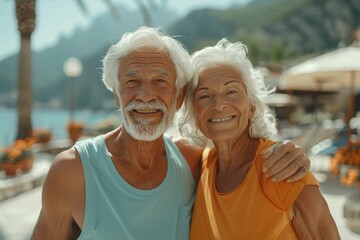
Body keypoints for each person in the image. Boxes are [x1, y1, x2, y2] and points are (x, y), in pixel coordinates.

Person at [32, 27, 311, 240]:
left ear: (178, 98)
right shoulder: (71, 171)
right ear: (116, 96)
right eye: (131, 81)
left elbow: (242, 158)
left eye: (160, 81)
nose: (145, 95)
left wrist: (287, 152)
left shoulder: (192, 161)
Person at [176, 39, 340, 239]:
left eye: (231, 91)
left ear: (251, 107)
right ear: (194, 112)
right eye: (204, 96)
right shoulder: (202, 165)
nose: (218, 104)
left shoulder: (281, 168)